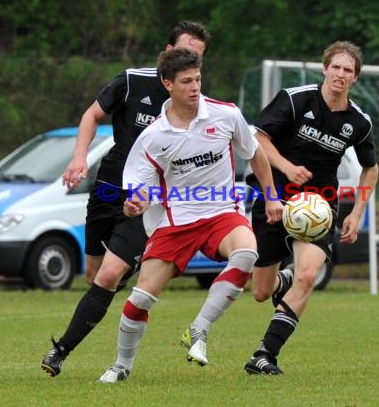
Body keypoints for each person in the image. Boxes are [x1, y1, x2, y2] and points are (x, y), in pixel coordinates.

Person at [98, 47, 284, 383]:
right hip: (174, 221)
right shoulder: (153, 137)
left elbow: (255, 154)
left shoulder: (225, 115)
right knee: (139, 300)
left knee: (246, 252)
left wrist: (271, 197)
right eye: (186, 81)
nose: (195, 87)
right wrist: (135, 204)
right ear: (167, 84)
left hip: (221, 212)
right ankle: (121, 365)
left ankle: (199, 329)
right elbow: (140, 186)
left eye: (198, 79)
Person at [40, 21, 211, 377]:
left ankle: (60, 352)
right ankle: (129, 275)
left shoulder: (199, 104)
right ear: (167, 52)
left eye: (197, 58)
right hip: (107, 189)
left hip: (146, 201)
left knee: (109, 274)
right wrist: (78, 158)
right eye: (184, 54)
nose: (190, 64)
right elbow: (91, 115)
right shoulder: (132, 80)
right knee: (94, 276)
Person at [243, 41, 379, 375]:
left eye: (348, 70)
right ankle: (283, 279)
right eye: (336, 67)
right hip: (276, 198)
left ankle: (265, 354)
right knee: (261, 291)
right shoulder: (295, 99)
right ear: (325, 68)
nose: (341, 75)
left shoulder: (359, 122)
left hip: (319, 206)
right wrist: (288, 168)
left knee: (308, 275)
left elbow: (371, 168)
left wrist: (358, 211)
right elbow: (258, 138)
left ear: (355, 78)